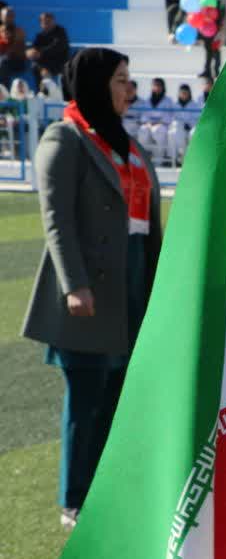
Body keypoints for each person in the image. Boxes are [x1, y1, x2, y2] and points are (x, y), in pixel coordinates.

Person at [22, 49, 163, 530]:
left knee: (119, 394)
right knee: (86, 397)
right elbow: (56, 219)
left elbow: (147, 222)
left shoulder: (128, 143)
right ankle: (75, 500)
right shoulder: (65, 138)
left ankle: (107, 491)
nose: (130, 89)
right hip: (90, 287)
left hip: (134, 278)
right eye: (121, 79)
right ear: (97, 83)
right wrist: (75, 285)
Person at [136, 78, 175, 166]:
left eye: (159, 86)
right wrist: (148, 123)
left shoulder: (168, 101)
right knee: (143, 130)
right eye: (155, 85)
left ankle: (159, 160)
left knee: (158, 131)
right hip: (149, 125)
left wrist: (159, 123)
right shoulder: (147, 100)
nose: (157, 88)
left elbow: (169, 116)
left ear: (163, 87)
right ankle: (143, 159)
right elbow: (144, 115)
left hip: (162, 125)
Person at [27, 12, 70, 82]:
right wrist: (29, 52)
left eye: (49, 21)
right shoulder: (40, 35)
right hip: (45, 63)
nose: (47, 24)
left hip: (59, 62)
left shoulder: (61, 32)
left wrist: (40, 52)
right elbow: (34, 47)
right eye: (44, 22)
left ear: (53, 21)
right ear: (41, 24)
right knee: (35, 66)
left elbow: (57, 47)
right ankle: (41, 88)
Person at [168, 83, 199, 165]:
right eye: (182, 92)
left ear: (189, 93)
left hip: (190, 129)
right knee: (174, 132)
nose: (184, 94)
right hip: (179, 130)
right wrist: (181, 125)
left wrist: (189, 125)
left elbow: (196, 119)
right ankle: (175, 159)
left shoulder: (194, 105)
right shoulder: (174, 105)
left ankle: (190, 159)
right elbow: (172, 119)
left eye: (186, 92)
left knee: (193, 134)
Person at [0, 8, 29, 86]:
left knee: (3, 64)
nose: (9, 18)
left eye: (11, 16)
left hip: (16, 61)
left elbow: (15, 48)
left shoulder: (19, 31)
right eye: (7, 16)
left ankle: (4, 90)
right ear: (1, 17)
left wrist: (4, 55)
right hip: (2, 59)